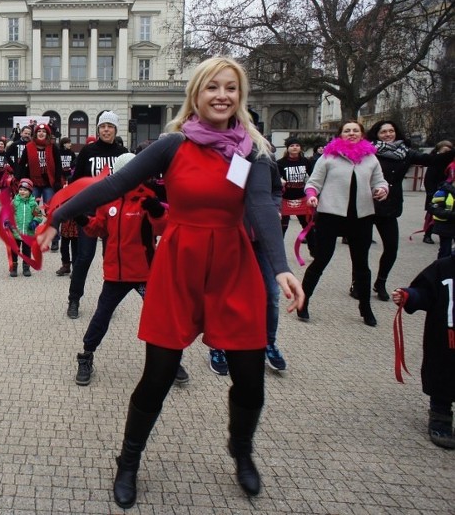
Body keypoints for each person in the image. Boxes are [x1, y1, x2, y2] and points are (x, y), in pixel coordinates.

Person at [37, 57, 303, 506]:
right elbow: (113, 184)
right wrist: (57, 215)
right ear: (196, 94)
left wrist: (280, 267)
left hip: (233, 270)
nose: (222, 95)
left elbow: (260, 207)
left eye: (231, 88)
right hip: (179, 266)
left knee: (250, 380)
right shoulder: (173, 145)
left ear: (240, 96)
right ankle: (128, 461)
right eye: (213, 87)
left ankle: (241, 451)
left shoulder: (252, 151)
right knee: (157, 376)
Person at [71, 153, 192, 387]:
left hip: (145, 274)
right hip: (116, 275)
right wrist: (82, 220)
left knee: (162, 317)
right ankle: (86, 356)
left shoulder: (147, 199)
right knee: (101, 316)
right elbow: (99, 230)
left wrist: (158, 212)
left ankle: (171, 362)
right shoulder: (108, 201)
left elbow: (163, 229)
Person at [298, 120, 389, 327]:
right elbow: (313, 183)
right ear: (340, 135)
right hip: (331, 215)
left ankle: (365, 307)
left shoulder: (370, 158)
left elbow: (379, 181)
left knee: (361, 265)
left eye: (355, 130)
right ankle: (303, 301)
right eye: (347, 131)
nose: (351, 133)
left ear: (362, 134)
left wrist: (382, 190)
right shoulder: (328, 157)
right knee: (321, 260)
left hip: (361, 217)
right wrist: (312, 196)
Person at [362, 121, 455, 300]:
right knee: (361, 247)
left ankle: (380, 282)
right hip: (367, 203)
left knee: (391, 248)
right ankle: (357, 283)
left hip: (390, 205)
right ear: (377, 134)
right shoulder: (368, 151)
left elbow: (432, 160)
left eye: (391, 131)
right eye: (384, 132)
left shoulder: (405, 153)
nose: (388, 134)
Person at [65, 111, 129, 319]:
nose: (106, 130)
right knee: (84, 257)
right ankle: (74, 299)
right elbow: (77, 181)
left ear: (115, 129)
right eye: (103, 126)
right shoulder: (87, 152)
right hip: (90, 212)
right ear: (98, 129)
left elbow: (131, 183)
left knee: (111, 259)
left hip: (115, 214)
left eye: (110, 126)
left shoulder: (123, 153)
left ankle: (108, 303)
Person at [392, 263, 455, 449]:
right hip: (446, 340)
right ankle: (440, 418)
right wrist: (409, 296)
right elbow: (425, 292)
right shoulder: (444, 268)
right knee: (443, 377)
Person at [6, 178, 44, 277]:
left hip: (28, 232)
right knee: (15, 250)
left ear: (30, 191)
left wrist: (35, 221)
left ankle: (26, 267)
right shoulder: (15, 202)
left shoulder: (33, 203)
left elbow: (39, 215)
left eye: (25, 190)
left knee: (26, 251)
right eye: (21, 189)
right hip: (15, 231)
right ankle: (14, 267)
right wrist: (7, 222)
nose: (22, 192)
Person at [277, 136, 313, 237]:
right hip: (285, 198)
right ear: (287, 148)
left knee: (307, 226)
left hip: (301, 198)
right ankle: (278, 252)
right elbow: (275, 178)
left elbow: (314, 176)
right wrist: (279, 179)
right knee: (282, 228)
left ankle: (314, 251)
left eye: (297, 145)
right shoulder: (280, 163)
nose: (295, 147)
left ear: (300, 148)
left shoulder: (305, 161)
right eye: (292, 145)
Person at [422, 140, 454, 244]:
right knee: (432, 215)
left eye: (449, 151)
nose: (447, 154)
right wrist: (431, 193)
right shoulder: (435, 161)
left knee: (448, 213)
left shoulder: (450, 162)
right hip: (436, 192)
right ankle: (427, 234)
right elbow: (428, 179)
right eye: (445, 151)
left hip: (448, 192)